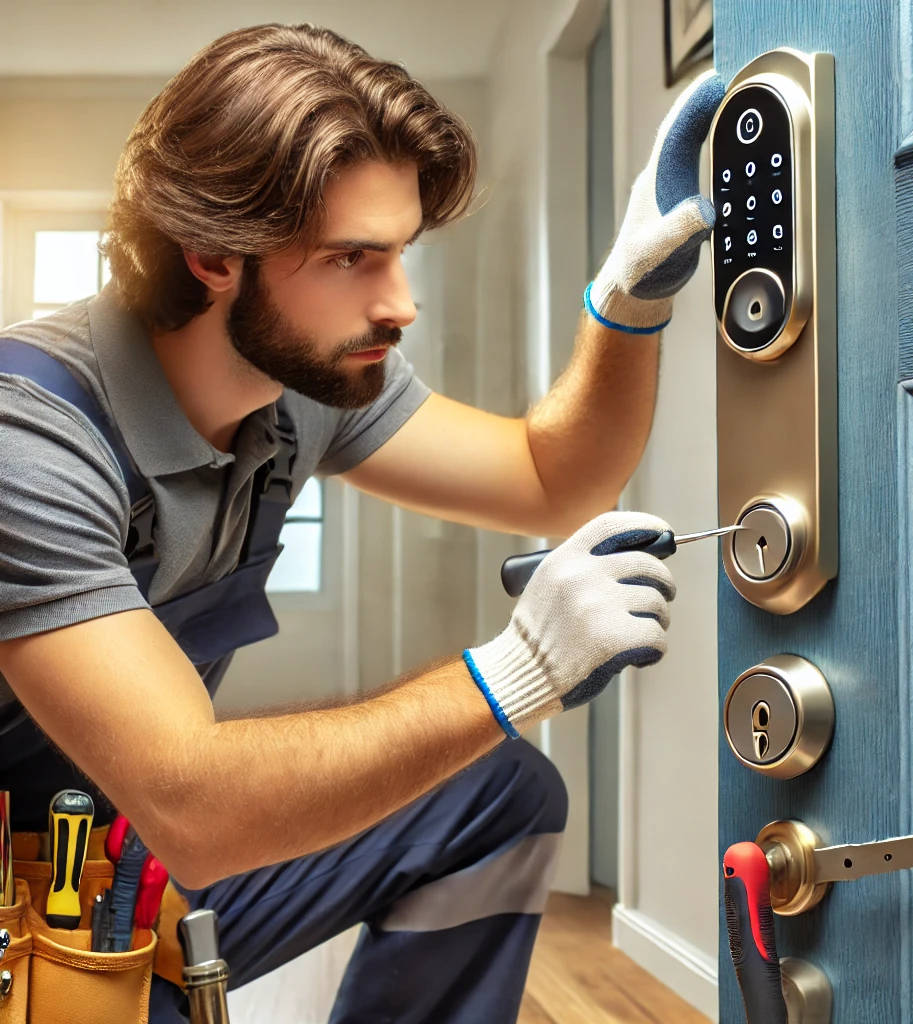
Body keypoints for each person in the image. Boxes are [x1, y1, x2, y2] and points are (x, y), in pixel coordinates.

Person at [0, 23, 723, 1024]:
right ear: (213, 254)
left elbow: (551, 477)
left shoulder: (298, 384)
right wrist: (518, 671)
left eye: (401, 254)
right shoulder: (28, 436)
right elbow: (198, 803)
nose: (400, 302)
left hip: (135, 863)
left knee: (499, 795)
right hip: (28, 916)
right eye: (354, 258)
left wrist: (627, 299)